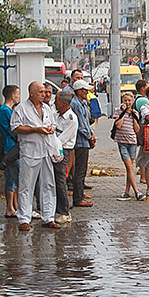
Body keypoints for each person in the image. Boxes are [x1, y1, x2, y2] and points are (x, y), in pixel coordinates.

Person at [10, 82, 60, 230]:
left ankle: (48, 217)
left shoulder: (47, 108)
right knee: (27, 185)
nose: (44, 94)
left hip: (46, 151)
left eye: (45, 92)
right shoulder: (21, 109)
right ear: (32, 93)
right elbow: (15, 128)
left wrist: (50, 129)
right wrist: (36, 130)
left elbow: (53, 124)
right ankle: (24, 218)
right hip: (30, 152)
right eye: (40, 92)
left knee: (49, 184)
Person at [112, 90, 144, 201]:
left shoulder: (135, 113)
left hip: (132, 142)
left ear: (133, 101)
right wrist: (124, 112)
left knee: (129, 168)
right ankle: (137, 192)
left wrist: (133, 116)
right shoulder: (118, 112)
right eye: (125, 100)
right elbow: (118, 125)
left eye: (129, 100)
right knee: (129, 167)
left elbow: (137, 129)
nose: (127, 102)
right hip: (122, 142)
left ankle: (127, 191)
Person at [52, 90, 78, 224]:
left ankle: (64, 210)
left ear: (63, 103)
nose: (55, 103)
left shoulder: (71, 119)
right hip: (52, 148)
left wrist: (52, 145)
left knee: (60, 179)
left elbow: (62, 139)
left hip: (62, 150)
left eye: (57, 101)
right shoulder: (56, 115)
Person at [70, 79, 95, 207]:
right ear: (79, 91)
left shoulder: (83, 103)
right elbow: (81, 124)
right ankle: (78, 197)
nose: (87, 92)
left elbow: (87, 121)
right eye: (85, 90)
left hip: (85, 140)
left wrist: (91, 134)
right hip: (79, 141)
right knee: (79, 170)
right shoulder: (76, 104)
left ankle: (80, 194)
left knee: (82, 170)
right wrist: (89, 136)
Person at [0, 85, 21, 218]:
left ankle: (14, 206)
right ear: (12, 95)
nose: (18, 96)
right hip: (10, 147)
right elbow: (10, 128)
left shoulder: (9, 110)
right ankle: (10, 207)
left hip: (12, 146)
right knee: (12, 177)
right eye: (17, 94)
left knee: (14, 177)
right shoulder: (5, 111)